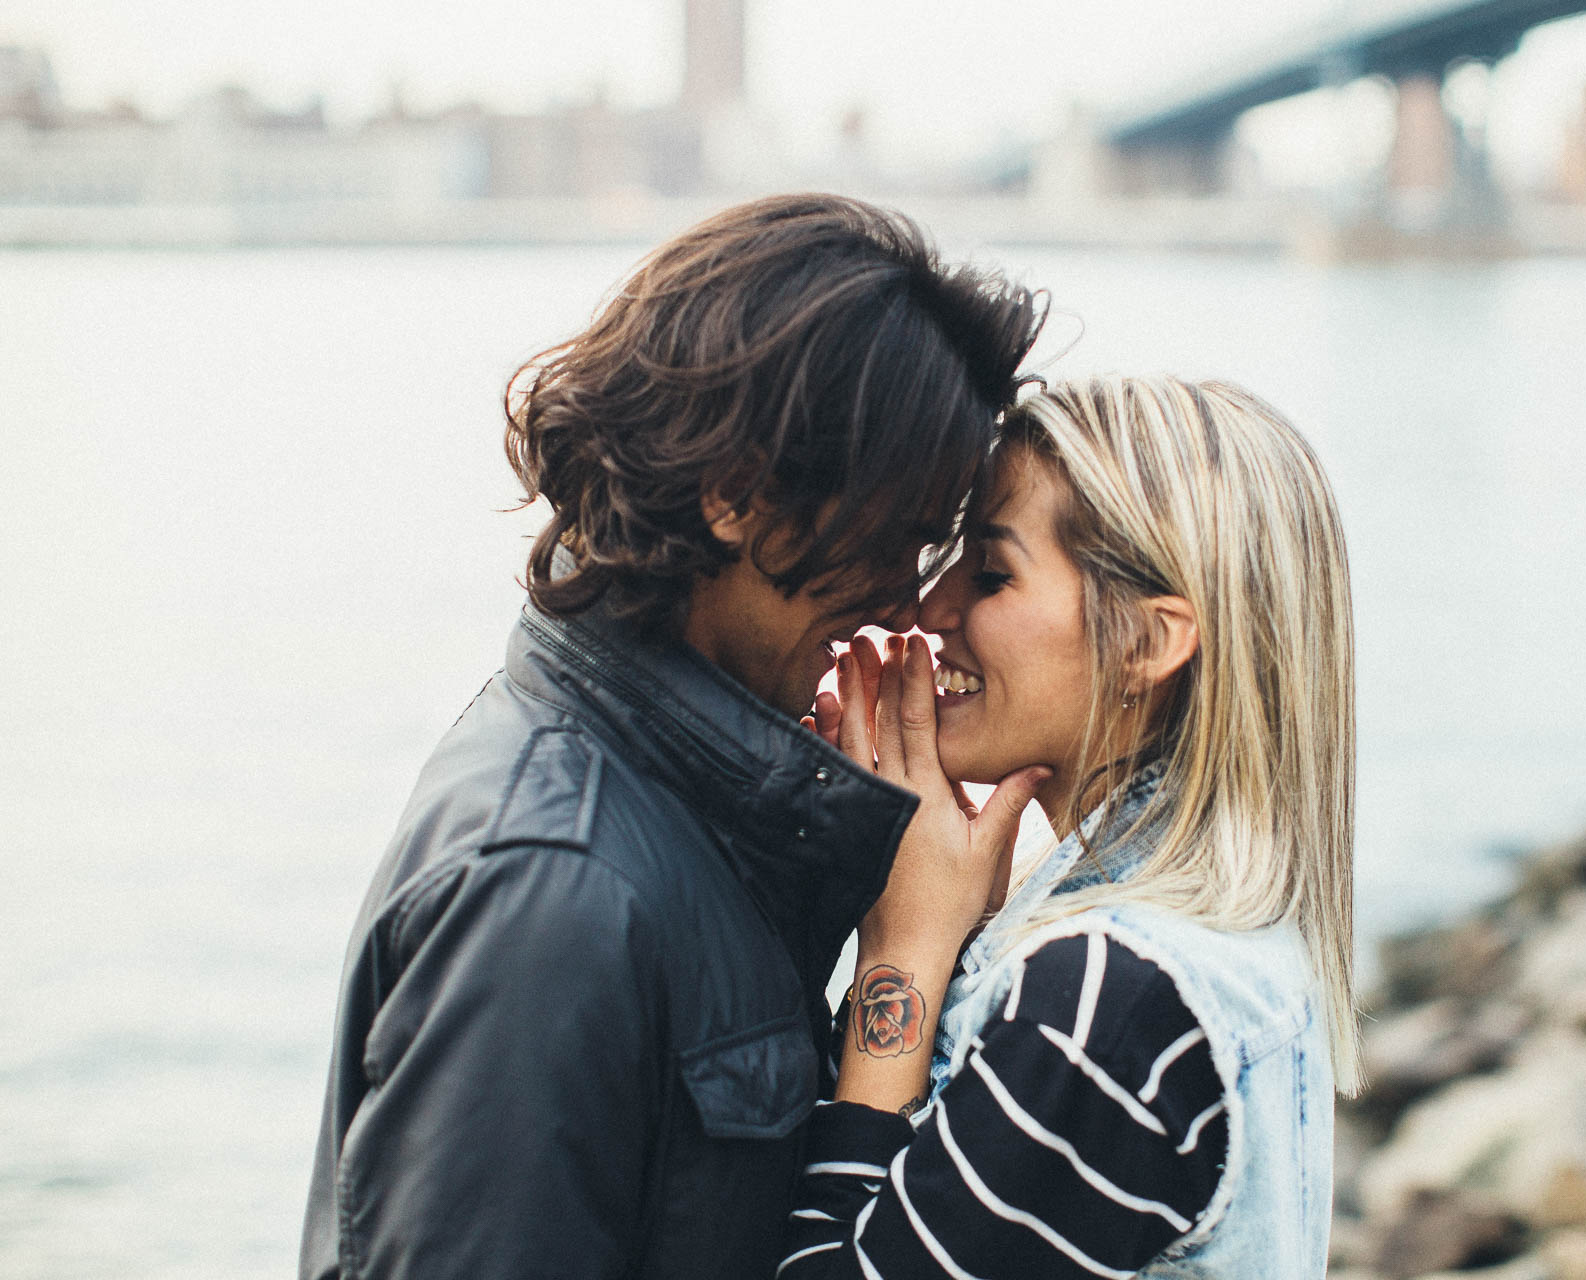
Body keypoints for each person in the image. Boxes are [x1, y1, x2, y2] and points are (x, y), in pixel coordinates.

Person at [298, 193, 1046, 1280]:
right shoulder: (557, 891)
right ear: (738, 494)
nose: (903, 604)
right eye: (892, 538)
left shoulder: (679, 811)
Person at [781, 375, 1364, 1278]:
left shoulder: (1111, 998)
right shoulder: (1221, 931)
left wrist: (902, 955)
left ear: (1147, 641)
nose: (929, 612)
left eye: (990, 573)